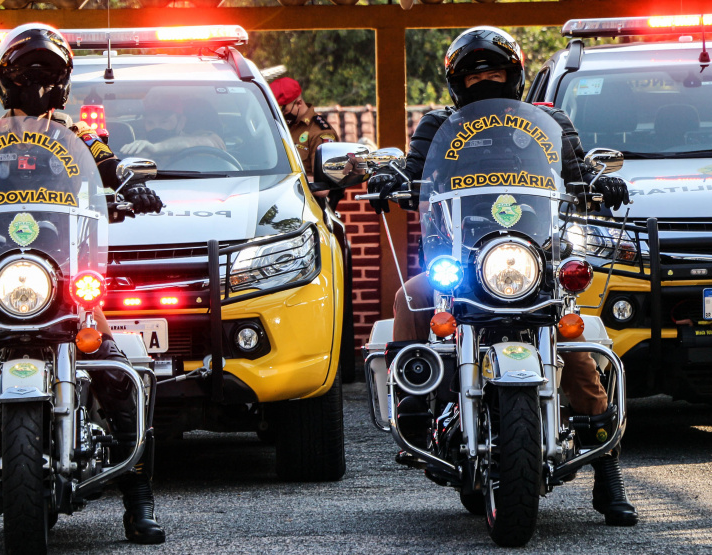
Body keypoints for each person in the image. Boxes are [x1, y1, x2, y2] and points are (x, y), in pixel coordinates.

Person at [0, 24, 166, 544]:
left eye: (48, 77)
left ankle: (138, 499)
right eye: (26, 77)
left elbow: (106, 169)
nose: (37, 88)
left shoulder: (83, 138)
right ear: (6, 83)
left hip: (63, 275)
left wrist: (131, 187)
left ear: (64, 83)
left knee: (119, 371)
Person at [367, 26, 637, 527]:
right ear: (456, 82)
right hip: (464, 256)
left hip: (535, 257)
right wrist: (392, 178)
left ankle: (607, 472)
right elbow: (413, 171)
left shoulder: (550, 120)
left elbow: (576, 173)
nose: (483, 79)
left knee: (574, 346)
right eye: (473, 73)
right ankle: (415, 411)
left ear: (513, 76)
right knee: (410, 298)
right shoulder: (437, 124)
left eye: (493, 70)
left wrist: (602, 181)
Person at [269, 77, 342, 204]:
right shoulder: (282, 126)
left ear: (298, 103)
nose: (281, 115)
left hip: (309, 207)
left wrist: (284, 179)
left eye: (283, 110)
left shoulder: (320, 132)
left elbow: (322, 188)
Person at [119, 94, 226, 165]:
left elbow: (206, 142)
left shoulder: (202, 138)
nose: (156, 127)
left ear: (181, 122)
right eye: (150, 122)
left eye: (164, 121)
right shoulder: (136, 146)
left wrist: (155, 148)